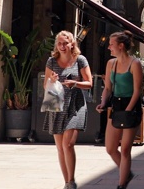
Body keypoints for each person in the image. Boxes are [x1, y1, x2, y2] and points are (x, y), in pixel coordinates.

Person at [43, 30, 93, 189]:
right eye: (59, 43)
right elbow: (46, 86)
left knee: (68, 144)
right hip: (56, 102)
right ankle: (67, 183)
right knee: (60, 147)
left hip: (75, 105)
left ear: (72, 44)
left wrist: (75, 84)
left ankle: (71, 181)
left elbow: (89, 83)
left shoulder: (80, 60)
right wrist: (51, 80)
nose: (62, 46)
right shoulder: (51, 61)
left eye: (66, 43)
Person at [95, 31, 143, 189]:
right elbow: (108, 88)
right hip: (116, 105)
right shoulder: (111, 64)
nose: (109, 47)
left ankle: (122, 184)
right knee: (110, 148)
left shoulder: (134, 63)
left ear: (121, 46)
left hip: (131, 106)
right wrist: (103, 103)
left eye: (111, 44)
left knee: (125, 149)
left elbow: (137, 91)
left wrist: (128, 111)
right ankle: (126, 172)